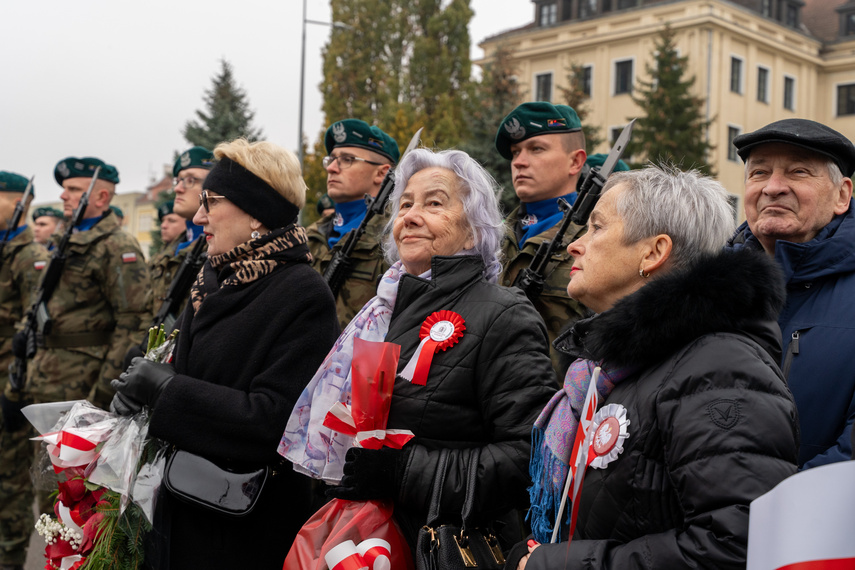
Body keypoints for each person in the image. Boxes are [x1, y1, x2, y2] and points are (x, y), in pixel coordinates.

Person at [513, 166, 799, 569]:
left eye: (596, 227)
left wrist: (557, 564)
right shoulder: (618, 366)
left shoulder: (720, 371)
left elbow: (734, 547)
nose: (575, 245)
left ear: (653, 252)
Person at [282, 148, 558, 554]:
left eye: (434, 203)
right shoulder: (379, 314)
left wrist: (403, 471)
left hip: (446, 551)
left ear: (473, 231)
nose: (409, 216)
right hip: (363, 546)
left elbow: (529, 459)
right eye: (405, 204)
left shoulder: (504, 315)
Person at [111, 139, 339, 570]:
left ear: (257, 213)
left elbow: (274, 419)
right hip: (180, 504)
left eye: (212, 202)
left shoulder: (304, 293)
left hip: (243, 525)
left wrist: (167, 390)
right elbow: (179, 363)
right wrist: (140, 385)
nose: (199, 217)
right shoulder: (213, 279)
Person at [728, 118, 855, 468]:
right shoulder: (710, 287)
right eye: (759, 173)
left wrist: (774, 503)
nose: (773, 187)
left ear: (842, 194)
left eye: (798, 172)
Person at [24, 157, 150, 410]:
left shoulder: (117, 245)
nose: (62, 196)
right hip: (46, 376)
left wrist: (104, 391)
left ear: (101, 197)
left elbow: (133, 321)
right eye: (65, 188)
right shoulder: (65, 240)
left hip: (83, 384)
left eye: (73, 190)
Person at [495, 102, 589, 380]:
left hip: (561, 407)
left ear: (575, 161)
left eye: (536, 149)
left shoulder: (596, 240)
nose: (519, 162)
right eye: (515, 152)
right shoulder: (490, 237)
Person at [306, 119, 399, 329]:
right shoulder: (309, 237)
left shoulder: (396, 237)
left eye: (347, 159)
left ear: (382, 173)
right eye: (331, 159)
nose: (331, 168)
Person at [0, 172, 48, 570]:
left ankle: (11, 558)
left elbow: (32, 331)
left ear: (19, 203)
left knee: (10, 481)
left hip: (11, 385)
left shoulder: (31, 258)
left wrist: (16, 390)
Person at [148, 146, 214, 319]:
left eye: (190, 180)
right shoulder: (174, 246)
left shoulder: (219, 246)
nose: (178, 188)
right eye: (178, 180)